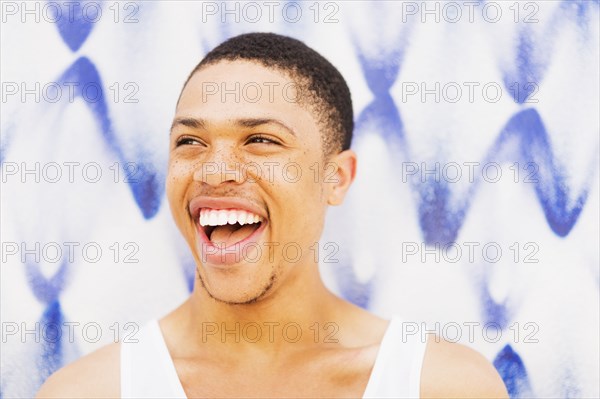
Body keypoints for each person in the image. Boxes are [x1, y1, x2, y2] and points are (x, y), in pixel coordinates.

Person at [37, 32, 508, 398]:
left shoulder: (441, 385)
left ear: (337, 177)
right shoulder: (87, 391)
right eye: (190, 142)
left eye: (261, 140)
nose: (214, 172)